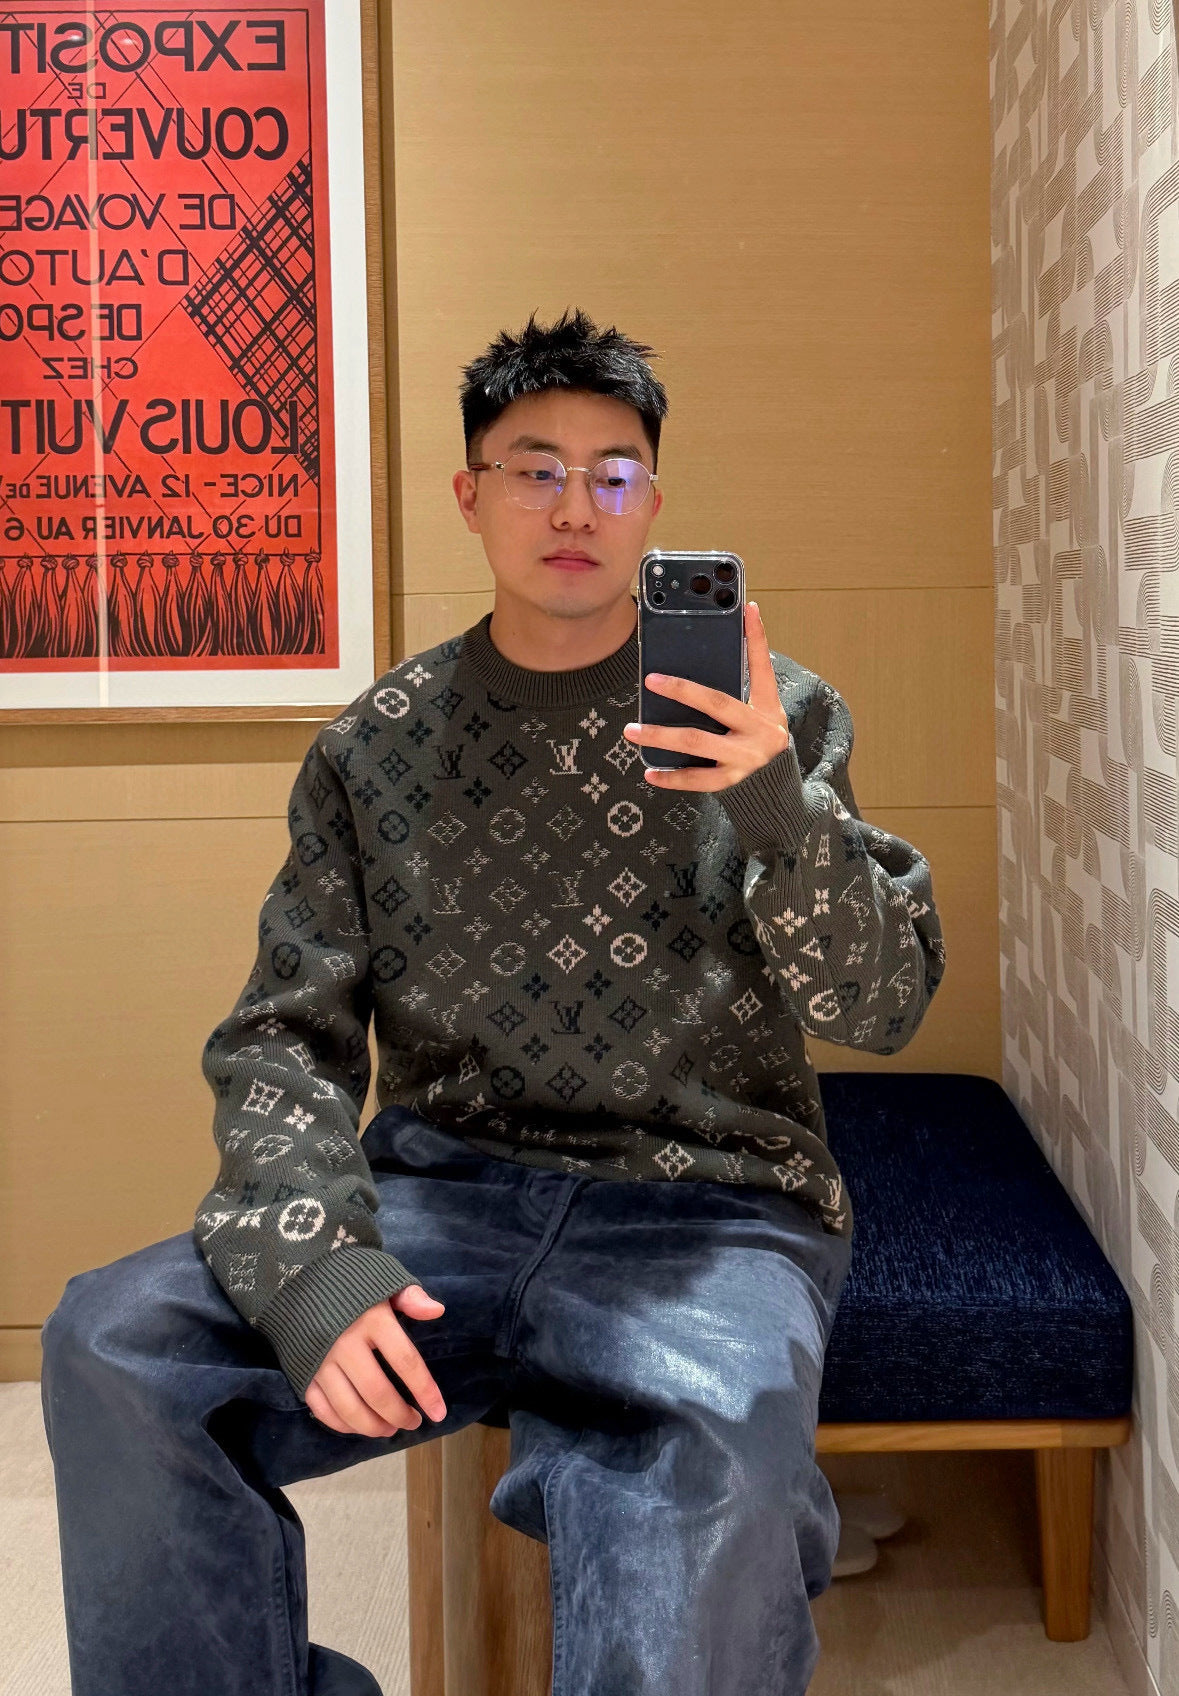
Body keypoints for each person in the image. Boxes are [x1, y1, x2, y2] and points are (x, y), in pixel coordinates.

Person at [40, 307, 945, 1696]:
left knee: (708, 1518)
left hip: (706, 1211)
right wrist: (311, 1259)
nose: (576, 506)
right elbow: (283, 1037)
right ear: (469, 496)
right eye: (536, 469)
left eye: (614, 473)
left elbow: (881, 1004)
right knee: (117, 1346)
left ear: (654, 506)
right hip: (445, 1196)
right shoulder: (375, 749)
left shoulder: (778, 717)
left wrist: (773, 801)